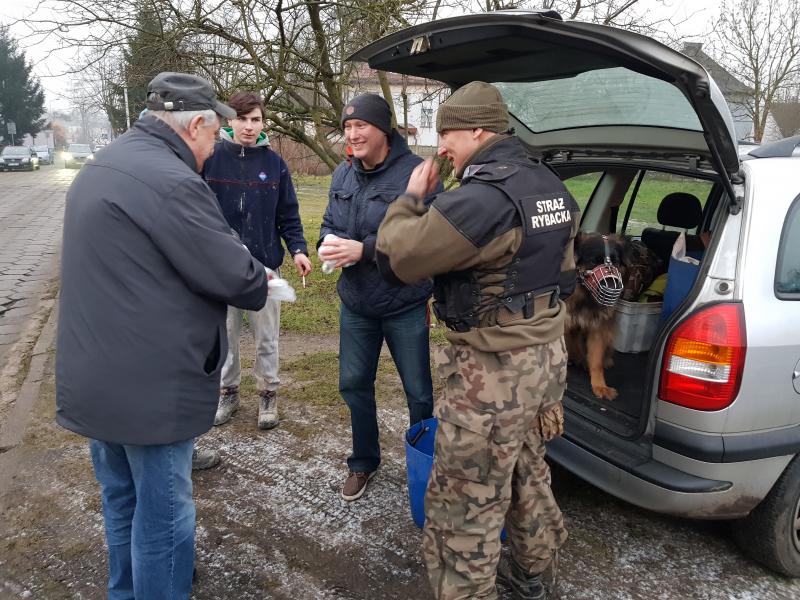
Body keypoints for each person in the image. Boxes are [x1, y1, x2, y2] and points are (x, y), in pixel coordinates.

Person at [55, 72, 270, 600]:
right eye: (214, 133)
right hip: (148, 389)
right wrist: (257, 276)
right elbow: (238, 278)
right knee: (164, 520)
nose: (214, 146)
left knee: (121, 504)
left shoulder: (102, 165)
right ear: (195, 125)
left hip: (95, 376)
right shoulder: (170, 181)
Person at [375, 81, 579, 600]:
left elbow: (397, 258)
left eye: (447, 133)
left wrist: (410, 199)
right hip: (546, 362)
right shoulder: (550, 186)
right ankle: (533, 577)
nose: (441, 146)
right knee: (527, 470)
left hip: (494, 372)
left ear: (478, 130)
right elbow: (567, 278)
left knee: (465, 499)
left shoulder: (482, 200)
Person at [319, 93, 439, 502]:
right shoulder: (343, 174)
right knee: (353, 384)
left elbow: (426, 242)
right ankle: (363, 462)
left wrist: (365, 251)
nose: (351, 135)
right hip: (356, 302)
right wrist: (327, 244)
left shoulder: (416, 175)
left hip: (404, 302)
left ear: (383, 130)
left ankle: (426, 467)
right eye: (347, 127)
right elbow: (329, 222)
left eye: (360, 127)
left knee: (419, 392)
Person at [204, 91, 312, 430]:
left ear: (263, 123)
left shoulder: (274, 164)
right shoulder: (210, 159)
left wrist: (298, 249)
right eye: (242, 118)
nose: (249, 127)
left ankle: (268, 395)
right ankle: (229, 393)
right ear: (229, 120)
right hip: (221, 270)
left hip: (265, 268)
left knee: (267, 338)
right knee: (225, 338)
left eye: (256, 120)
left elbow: (288, 214)